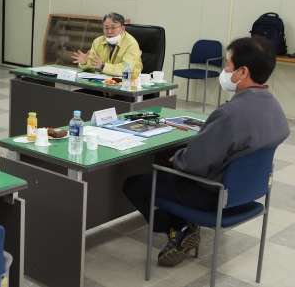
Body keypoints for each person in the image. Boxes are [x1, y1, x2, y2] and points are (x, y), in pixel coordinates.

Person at [122, 36, 290, 267]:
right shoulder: (273, 105)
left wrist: (178, 158)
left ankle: (177, 228)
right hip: (248, 192)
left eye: (228, 66)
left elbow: (193, 164)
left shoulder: (230, 113)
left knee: (135, 184)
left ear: (242, 72)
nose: (224, 71)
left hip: (213, 194)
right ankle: (183, 226)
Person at [72, 12, 143, 76]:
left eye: (113, 27)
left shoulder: (131, 43)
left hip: (129, 83)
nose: (109, 31)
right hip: (105, 81)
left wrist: (102, 66)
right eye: (106, 28)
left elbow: (125, 70)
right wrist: (85, 62)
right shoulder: (98, 42)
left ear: (122, 29)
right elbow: (94, 65)